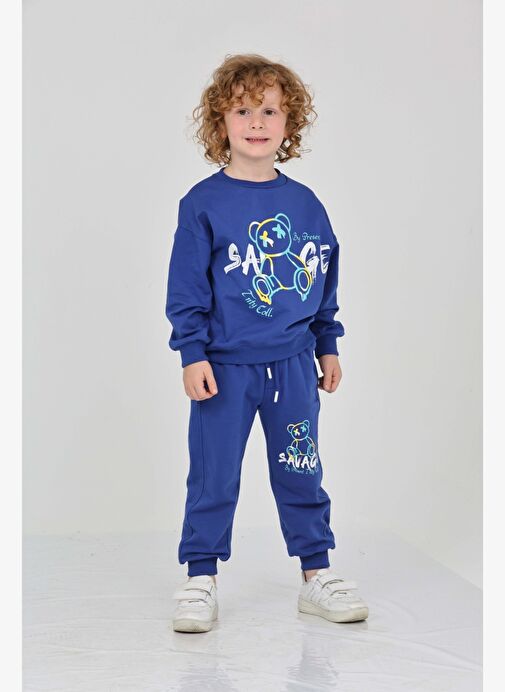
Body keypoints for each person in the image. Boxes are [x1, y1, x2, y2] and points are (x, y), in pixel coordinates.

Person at [165, 54, 369, 633]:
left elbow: (323, 281)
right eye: (243, 110)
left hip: (293, 367)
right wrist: (192, 353)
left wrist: (327, 344)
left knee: (301, 468)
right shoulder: (202, 204)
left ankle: (316, 573)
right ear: (220, 122)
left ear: (289, 123)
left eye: (270, 111)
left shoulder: (306, 205)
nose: (257, 122)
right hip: (225, 370)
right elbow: (186, 288)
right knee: (214, 475)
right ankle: (201, 577)